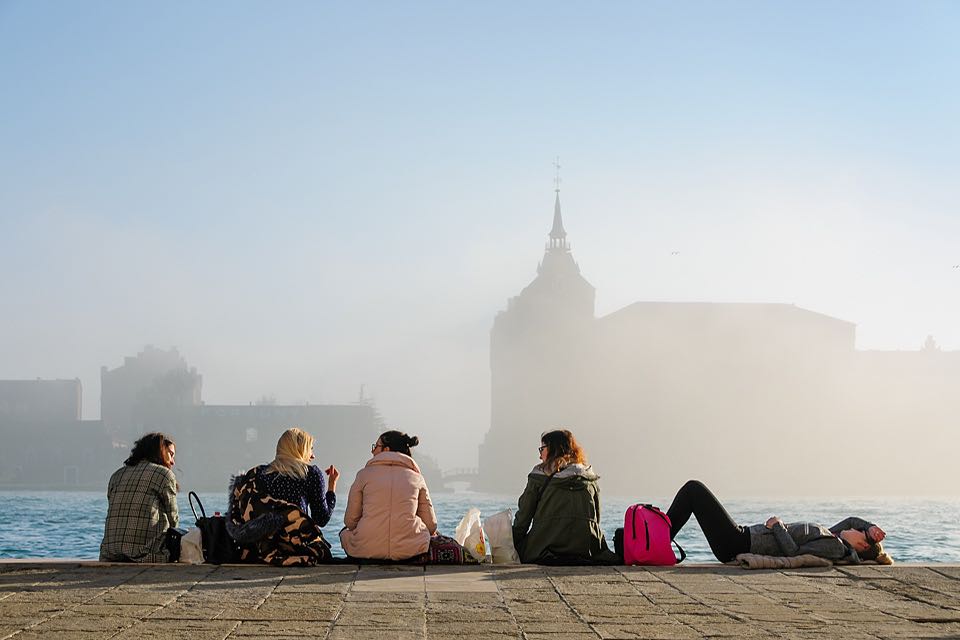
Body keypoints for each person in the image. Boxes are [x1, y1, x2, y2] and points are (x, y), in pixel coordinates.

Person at [666, 480, 892, 564]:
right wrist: (870, 527)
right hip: (741, 538)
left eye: (859, 532)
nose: (853, 528)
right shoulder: (832, 538)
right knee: (692, 493)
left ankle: (658, 542)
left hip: (739, 543)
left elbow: (793, 552)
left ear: (862, 546)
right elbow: (851, 520)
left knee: (693, 490)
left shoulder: (833, 547)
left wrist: (778, 525)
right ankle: (654, 543)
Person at [228, 427, 339, 566]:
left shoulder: (259, 474)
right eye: (310, 449)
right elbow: (321, 519)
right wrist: (331, 487)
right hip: (296, 545)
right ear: (301, 450)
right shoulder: (311, 474)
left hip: (263, 546)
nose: (313, 456)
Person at [512, 429, 618, 565]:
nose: (540, 456)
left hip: (544, 549)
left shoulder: (539, 477)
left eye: (542, 449)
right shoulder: (589, 478)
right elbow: (596, 518)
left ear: (552, 449)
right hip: (586, 549)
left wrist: (511, 544)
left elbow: (523, 518)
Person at [339, 430, 439, 561]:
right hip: (410, 550)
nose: (372, 451)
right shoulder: (417, 478)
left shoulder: (363, 475)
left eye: (375, 446)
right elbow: (431, 525)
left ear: (386, 449)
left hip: (365, 548)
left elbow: (350, 522)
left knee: (344, 533)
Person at [100, 432, 179, 562]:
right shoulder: (164, 475)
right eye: (171, 454)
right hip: (145, 554)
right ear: (161, 451)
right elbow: (173, 520)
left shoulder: (117, 475)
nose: (173, 461)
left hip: (110, 553)